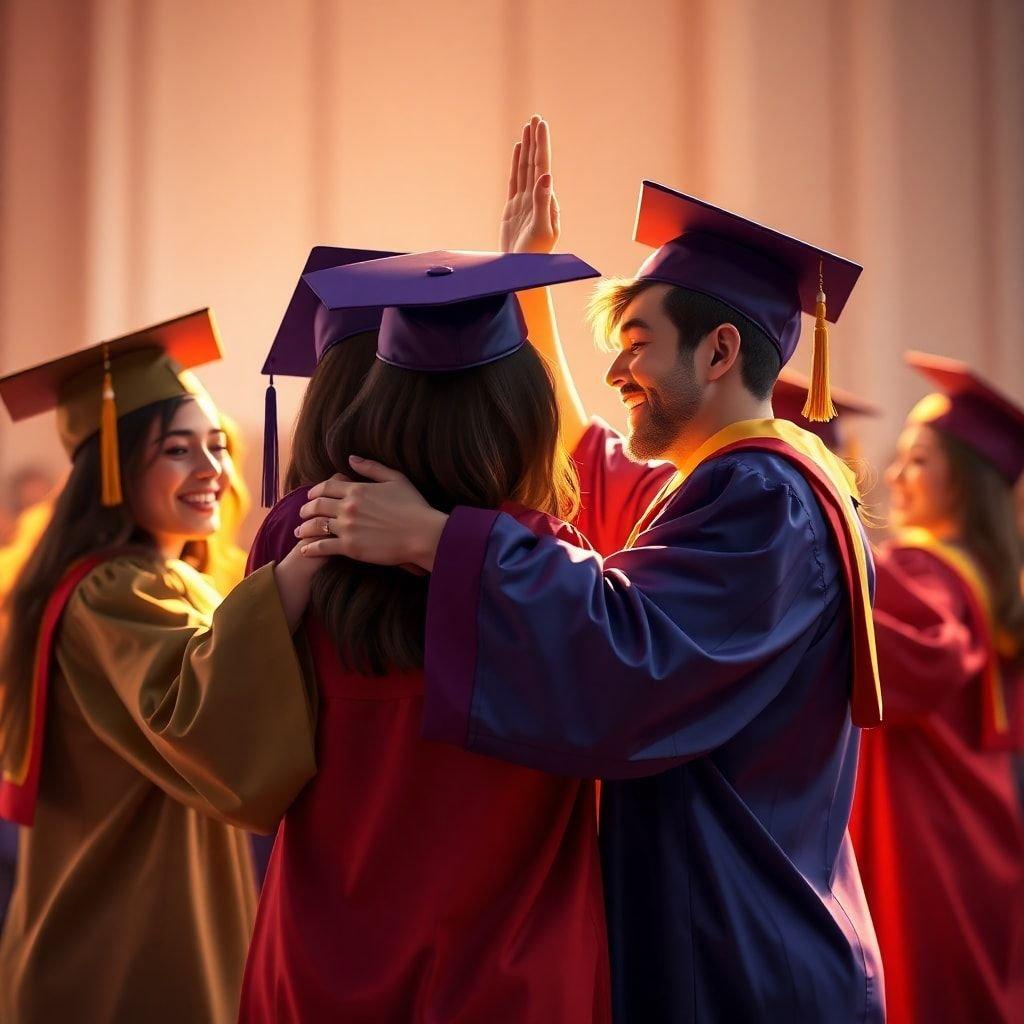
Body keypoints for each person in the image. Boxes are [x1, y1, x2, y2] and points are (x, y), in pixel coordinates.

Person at [297, 153, 886, 1020]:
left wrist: (436, 540)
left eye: (638, 345)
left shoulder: (765, 499)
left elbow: (631, 656)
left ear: (720, 350)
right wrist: (530, 275)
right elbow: (585, 456)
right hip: (741, 914)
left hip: (740, 944)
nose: (617, 373)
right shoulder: (728, 481)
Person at [240, 250, 615, 1023]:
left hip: (322, 960)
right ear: (523, 413)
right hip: (505, 970)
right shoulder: (541, 557)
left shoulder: (301, 530)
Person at [0, 311, 318, 1023]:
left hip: (134, 923)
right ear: (111, 470)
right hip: (121, 946)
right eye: (178, 450)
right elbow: (204, 713)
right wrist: (296, 578)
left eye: (216, 445)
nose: (213, 470)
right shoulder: (116, 589)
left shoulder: (169, 581)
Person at [849, 351, 1024, 1024]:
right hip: (983, 831)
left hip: (927, 840)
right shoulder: (990, 580)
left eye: (919, 460)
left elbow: (911, 660)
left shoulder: (921, 570)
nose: (894, 476)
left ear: (967, 483)